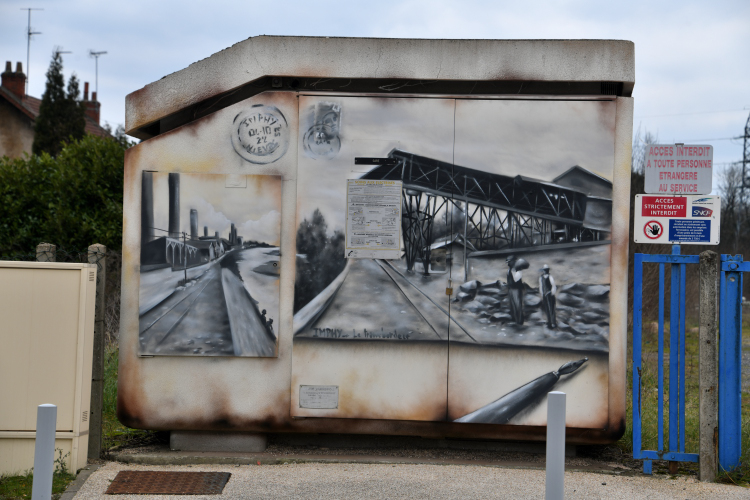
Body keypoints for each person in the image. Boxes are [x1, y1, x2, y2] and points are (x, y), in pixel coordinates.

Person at [507, 255, 525, 325]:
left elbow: (516, 279)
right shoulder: (509, 269)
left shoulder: (518, 269)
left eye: (509, 262)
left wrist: (514, 270)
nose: (508, 264)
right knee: (512, 305)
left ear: (513, 262)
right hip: (511, 289)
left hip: (516, 289)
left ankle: (519, 321)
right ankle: (514, 320)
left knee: (518, 305)